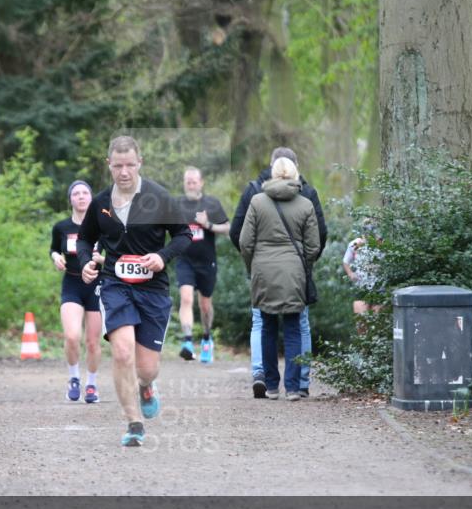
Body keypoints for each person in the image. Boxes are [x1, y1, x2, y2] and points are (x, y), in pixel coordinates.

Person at [76, 136, 192, 446]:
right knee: (122, 351)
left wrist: (162, 256)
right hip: (115, 284)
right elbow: (85, 239)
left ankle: (146, 387)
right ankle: (133, 423)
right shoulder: (100, 203)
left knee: (147, 368)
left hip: (153, 288)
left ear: (139, 163)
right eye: (117, 166)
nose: (124, 172)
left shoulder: (158, 197)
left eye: (129, 165)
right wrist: (87, 262)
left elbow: (183, 235)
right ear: (108, 165)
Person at [230, 147, 327, 399]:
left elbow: (244, 241)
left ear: (271, 173)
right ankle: (294, 387)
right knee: (294, 327)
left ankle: (271, 385)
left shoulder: (256, 201)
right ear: (296, 173)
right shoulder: (305, 203)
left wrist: (253, 265)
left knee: (267, 326)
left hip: (263, 271)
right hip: (294, 273)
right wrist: (302, 264)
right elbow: (314, 245)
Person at [50, 180, 103, 403]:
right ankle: (74, 378)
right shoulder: (61, 227)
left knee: (92, 342)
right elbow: (53, 248)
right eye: (76, 194)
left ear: (91, 198)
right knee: (72, 336)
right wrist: (55, 257)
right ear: (70, 199)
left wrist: (102, 259)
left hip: (96, 285)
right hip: (72, 283)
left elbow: (116, 254)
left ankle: (91, 383)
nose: (81, 197)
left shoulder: (103, 225)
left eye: (85, 193)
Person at [175, 166, 229, 364]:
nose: (191, 185)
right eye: (187, 181)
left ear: (201, 182)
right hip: (184, 260)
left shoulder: (211, 204)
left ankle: (207, 338)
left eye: (194, 181)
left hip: (207, 261)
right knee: (186, 297)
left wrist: (209, 225)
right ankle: (188, 342)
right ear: (184, 183)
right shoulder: (176, 204)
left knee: (205, 304)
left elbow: (228, 228)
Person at [342, 218, 383, 329]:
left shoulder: (381, 243)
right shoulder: (355, 244)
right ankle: (364, 345)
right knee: (361, 321)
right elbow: (345, 261)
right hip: (362, 287)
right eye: (366, 231)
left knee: (378, 321)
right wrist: (350, 273)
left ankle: (376, 344)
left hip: (379, 287)